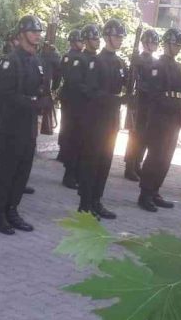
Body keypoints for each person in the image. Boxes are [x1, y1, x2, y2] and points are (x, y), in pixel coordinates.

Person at [0, 15, 49, 234]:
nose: (37, 35)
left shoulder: (37, 60)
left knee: (23, 171)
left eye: (38, 31)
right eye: (33, 31)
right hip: (12, 126)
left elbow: (41, 88)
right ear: (22, 33)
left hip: (29, 126)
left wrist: (44, 100)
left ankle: (12, 210)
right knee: (7, 171)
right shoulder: (10, 61)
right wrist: (34, 103)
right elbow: (6, 96)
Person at [75, 20, 127, 220]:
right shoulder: (96, 61)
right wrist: (115, 99)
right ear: (107, 38)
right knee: (91, 162)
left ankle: (97, 201)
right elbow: (90, 91)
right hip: (96, 120)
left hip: (112, 119)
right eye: (116, 36)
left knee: (105, 162)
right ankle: (85, 205)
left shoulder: (120, 62)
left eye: (122, 36)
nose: (120, 40)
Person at [137, 28, 181, 212]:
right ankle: (145, 193)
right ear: (166, 44)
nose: (178, 48)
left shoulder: (179, 67)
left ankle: (155, 191)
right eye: (176, 44)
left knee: (166, 157)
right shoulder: (157, 66)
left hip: (173, 119)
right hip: (159, 117)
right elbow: (155, 95)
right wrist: (179, 105)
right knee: (155, 156)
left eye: (180, 45)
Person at [123, 28, 160, 181]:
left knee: (145, 136)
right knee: (135, 136)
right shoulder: (138, 59)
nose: (155, 45)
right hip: (139, 102)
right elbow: (131, 81)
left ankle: (138, 163)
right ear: (146, 43)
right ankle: (130, 166)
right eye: (153, 42)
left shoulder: (155, 62)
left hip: (149, 103)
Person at [56, 29, 85, 187]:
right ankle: (64, 152)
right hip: (70, 97)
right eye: (80, 41)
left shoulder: (78, 56)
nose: (82, 43)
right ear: (74, 42)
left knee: (68, 128)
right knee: (68, 128)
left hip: (71, 98)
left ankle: (64, 151)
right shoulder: (71, 57)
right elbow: (66, 76)